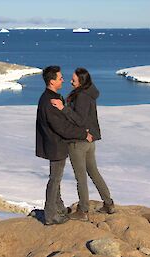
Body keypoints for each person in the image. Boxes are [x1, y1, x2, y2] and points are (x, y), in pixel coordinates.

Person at [51, 67, 115, 221]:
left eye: (74, 78)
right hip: (89, 141)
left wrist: (62, 108)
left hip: (78, 141)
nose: (70, 80)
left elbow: (79, 119)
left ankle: (83, 211)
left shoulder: (81, 96)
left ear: (81, 81)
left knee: (81, 177)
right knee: (93, 172)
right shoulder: (89, 93)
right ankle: (108, 204)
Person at [36, 65, 93, 225]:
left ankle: (59, 208)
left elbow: (64, 122)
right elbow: (61, 127)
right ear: (52, 81)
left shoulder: (52, 97)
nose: (63, 80)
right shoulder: (50, 101)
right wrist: (83, 134)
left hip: (55, 143)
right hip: (55, 144)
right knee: (54, 180)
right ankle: (50, 215)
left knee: (56, 179)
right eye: (60, 78)